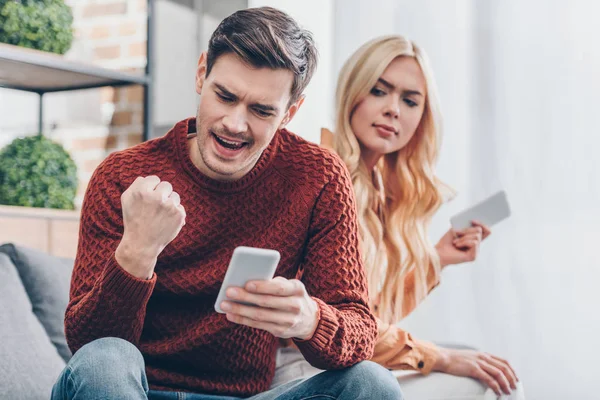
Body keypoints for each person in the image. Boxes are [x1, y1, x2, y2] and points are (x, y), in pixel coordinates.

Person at [51, 9, 403, 400]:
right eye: (225, 96)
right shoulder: (123, 175)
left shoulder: (317, 177)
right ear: (202, 73)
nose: (235, 124)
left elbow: (359, 332)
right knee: (107, 360)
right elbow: (88, 346)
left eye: (261, 110)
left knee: (373, 384)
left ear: (290, 113)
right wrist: (138, 250)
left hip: (241, 396)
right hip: (133, 389)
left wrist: (309, 320)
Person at [272, 35, 525, 399]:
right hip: (305, 368)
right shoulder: (322, 176)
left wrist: (436, 261)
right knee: (481, 381)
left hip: (349, 362)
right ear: (352, 94)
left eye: (410, 101)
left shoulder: (378, 190)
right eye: (379, 91)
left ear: (422, 117)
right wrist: (436, 357)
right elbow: (337, 327)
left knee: (484, 368)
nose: (393, 109)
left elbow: (370, 311)